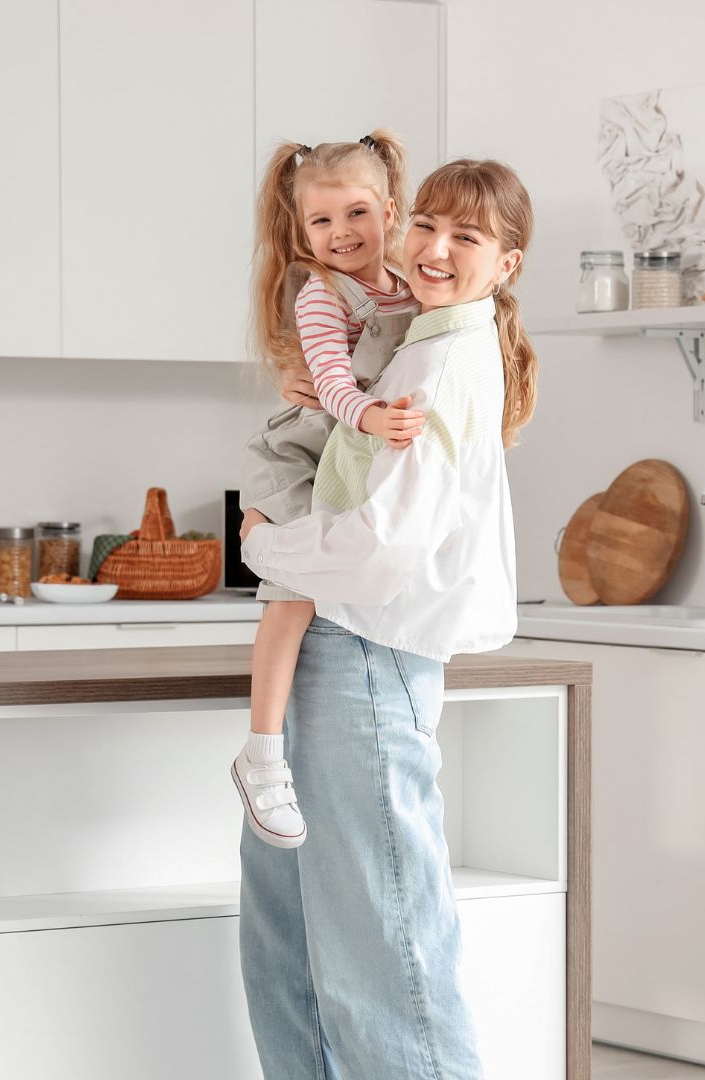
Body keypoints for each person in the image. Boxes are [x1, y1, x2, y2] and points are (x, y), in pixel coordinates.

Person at [237, 159, 538, 1080]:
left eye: (468, 237)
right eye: (430, 226)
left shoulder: (444, 360)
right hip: (343, 647)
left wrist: (258, 547)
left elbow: (385, 547)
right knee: (293, 941)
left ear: (506, 264)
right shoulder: (407, 334)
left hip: (367, 649)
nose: (437, 249)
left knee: (383, 946)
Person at [234, 131, 424, 848]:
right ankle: (262, 756)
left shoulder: (409, 285)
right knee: (293, 597)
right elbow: (335, 383)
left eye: (355, 214)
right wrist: (373, 414)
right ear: (300, 228)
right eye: (321, 221)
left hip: (353, 456)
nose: (340, 234)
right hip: (304, 453)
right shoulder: (322, 295)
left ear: (389, 210)